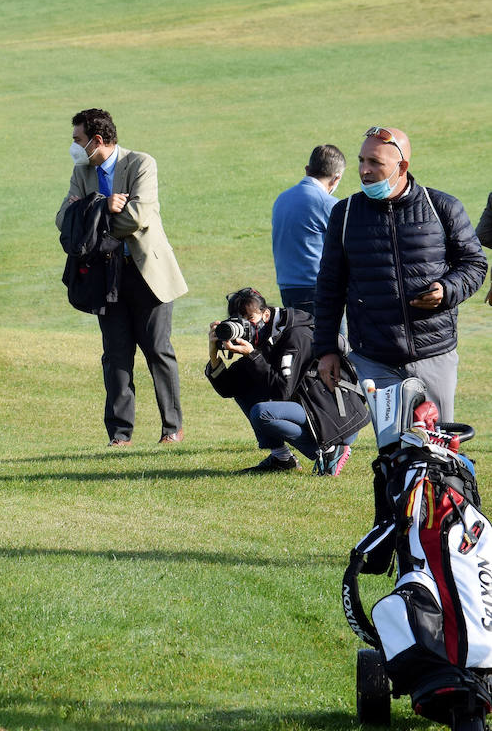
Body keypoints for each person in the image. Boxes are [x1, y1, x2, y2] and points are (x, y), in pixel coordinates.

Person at [314, 126, 487, 423]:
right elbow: (330, 286)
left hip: (434, 354)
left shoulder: (443, 207)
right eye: (361, 161)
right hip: (374, 359)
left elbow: (475, 264)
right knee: (393, 453)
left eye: (375, 163)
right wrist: (327, 349)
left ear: (402, 166)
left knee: (437, 447)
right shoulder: (345, 214)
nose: (364, 170)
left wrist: (447, 290)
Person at [56, 108, 188, 446]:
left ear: (97, 141)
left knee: (158, 350)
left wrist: (90, 214)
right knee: (115, 355)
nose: (73, 146)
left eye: (78, 140)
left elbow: (138, 215)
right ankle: (119, 434)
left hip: (147, 274)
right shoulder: (81, 170)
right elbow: (62, 219)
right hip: (106, 277)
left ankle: (171, 428)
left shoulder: (141, 163)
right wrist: (103, 205)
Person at [205, 287, 349, 475]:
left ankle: (330, 451)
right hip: (309, 405)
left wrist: (253, 356)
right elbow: (228, 388)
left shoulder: (294, 333)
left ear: (265, 314)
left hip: (335, 413)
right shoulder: (261, 335)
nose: (245, 325)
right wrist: (214, 354)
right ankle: (282, 459)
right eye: (239, 321)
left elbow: (283, 391)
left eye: (250, 319)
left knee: (262, 413)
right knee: (245, 386)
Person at [271, 144, 345, 314]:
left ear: (307, 169)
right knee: (331, 340)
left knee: (299, 340)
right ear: (336, 178)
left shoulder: (282, 199)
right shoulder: (328, 203)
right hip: (317, 289)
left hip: (286, 287)